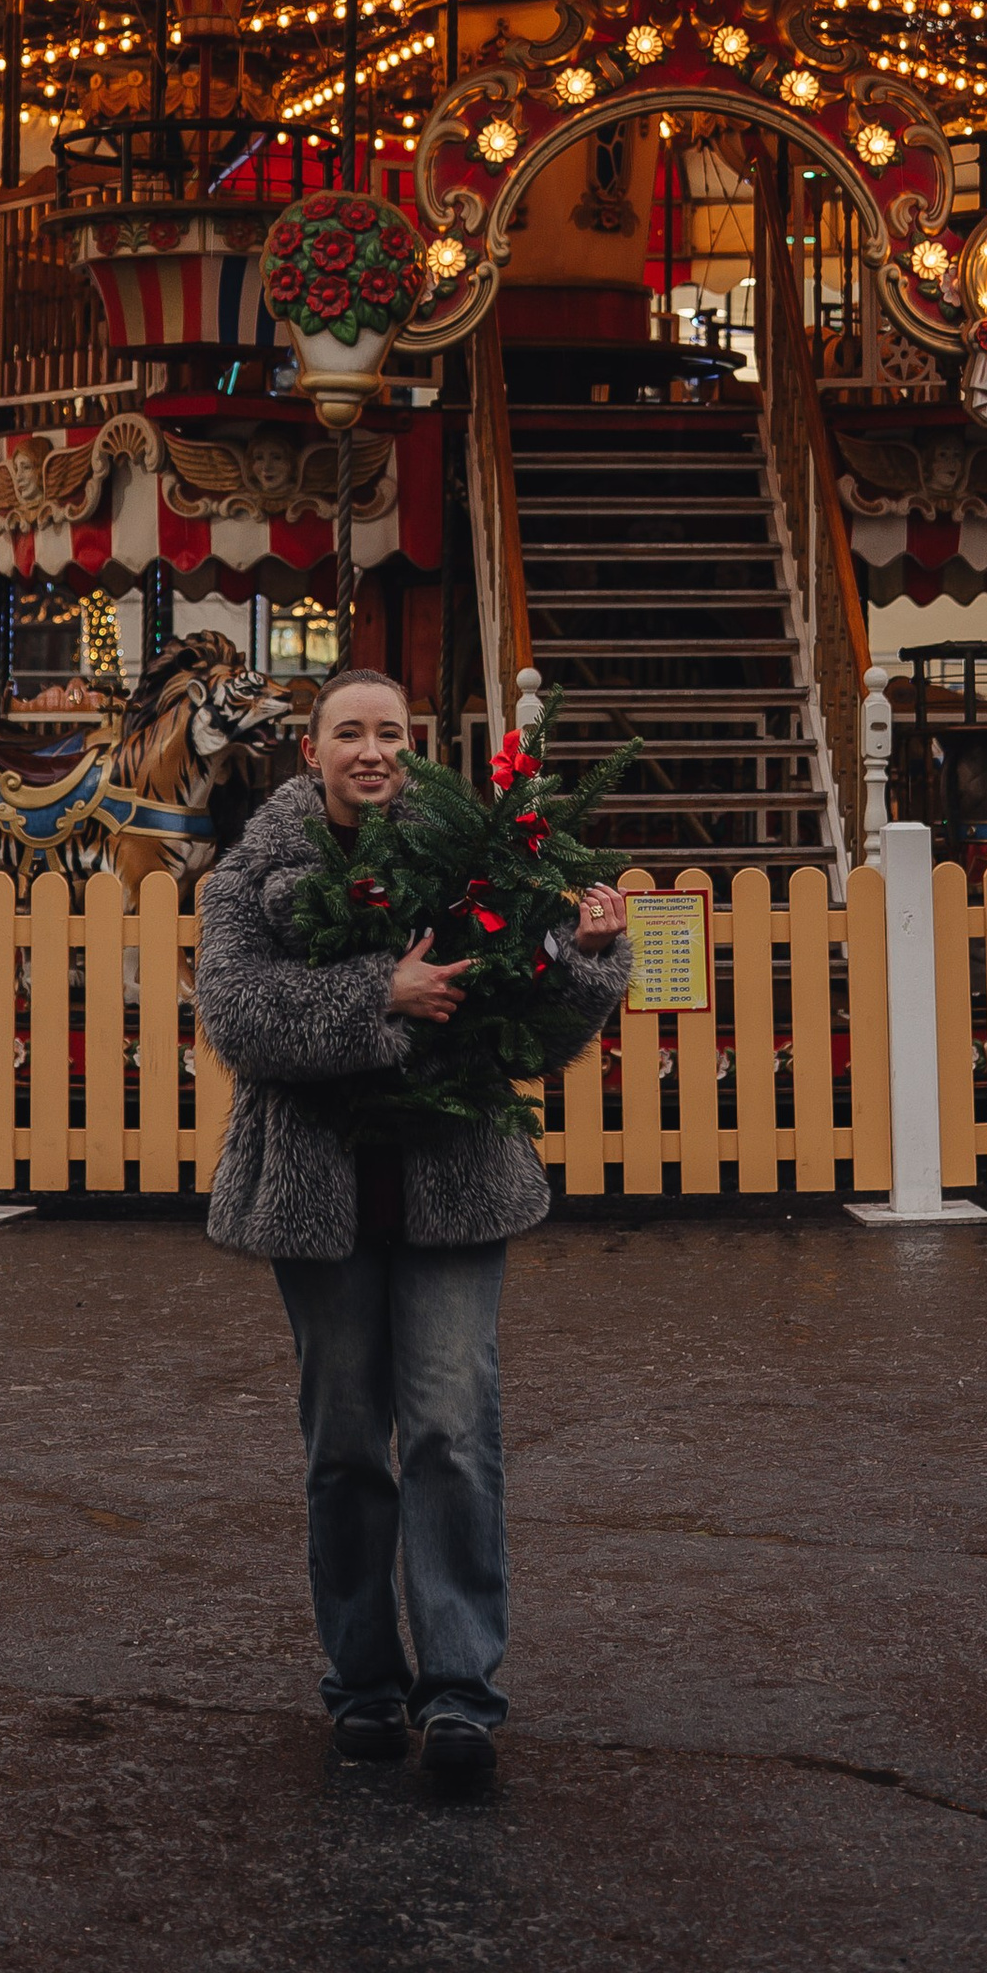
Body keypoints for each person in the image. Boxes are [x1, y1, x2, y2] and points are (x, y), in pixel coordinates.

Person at [193, 662, 630, 1789]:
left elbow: (532, 1016)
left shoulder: (468, 859)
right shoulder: (252, 876)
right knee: (345, 1450)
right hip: (316, 1198)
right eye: (349, 732)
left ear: (414, 744)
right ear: (314, 751)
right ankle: (365, 1686)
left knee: (449, 1433)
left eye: (390, 731)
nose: (371, 750)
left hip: (452, 1185)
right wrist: (375, 998)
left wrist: (584, 960)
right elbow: (236, 1016)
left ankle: (460, 1698)